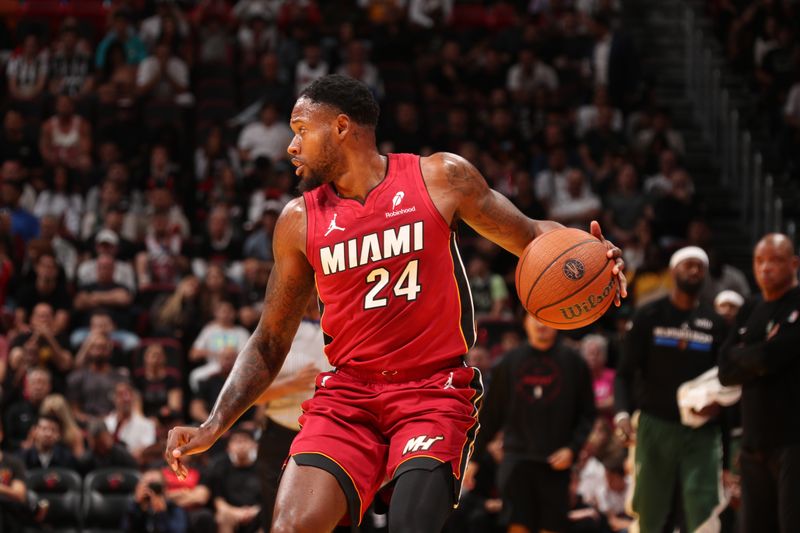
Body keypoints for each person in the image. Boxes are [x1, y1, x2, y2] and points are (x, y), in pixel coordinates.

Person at [165, 74, 627, 532]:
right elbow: (269, 341)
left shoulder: (442, 177)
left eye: (301, 128)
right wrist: (213, 424)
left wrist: (591, 257)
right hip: (348, 394)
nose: (291, 145)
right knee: (291, 527)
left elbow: (531, 235)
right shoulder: (298, 221)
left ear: (341, 127)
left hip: (433, 390)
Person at [614, 246, 728, 532]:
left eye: (700, 266)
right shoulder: (649, 314)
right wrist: (622, 414)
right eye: (687, 265)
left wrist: (721, 406)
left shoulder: (716, 324)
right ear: (673, 271)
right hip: (655, 425)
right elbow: (624, 372)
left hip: (701, 431)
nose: (693, 270)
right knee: (649, 510)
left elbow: (727, 380)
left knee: (701, 508)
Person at [467, 315, 597, 533]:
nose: (540, 324)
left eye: (546, 318)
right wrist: (474, 458)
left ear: (556, 322)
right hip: (517, 463)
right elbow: (490, 416)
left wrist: (572, 450)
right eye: (535, 318)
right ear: (525, 322)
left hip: (555, 464)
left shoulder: (574, 362)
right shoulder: (509, 362)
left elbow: (587, 414)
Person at [718, 233, 800, 532]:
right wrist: (760, 354)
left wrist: (752, 355)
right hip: (753, 444)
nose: (766, 267)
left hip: (793, 442)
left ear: (794, 264)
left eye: (776, 260)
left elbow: (770, 356)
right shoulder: (749, 308)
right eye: (759, 260)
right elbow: (725, 370)